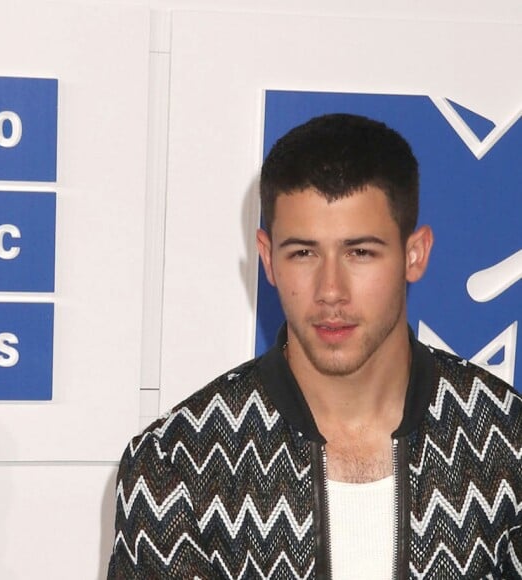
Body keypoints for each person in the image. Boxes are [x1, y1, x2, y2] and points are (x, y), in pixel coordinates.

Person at [107, 114, 522, 579]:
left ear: (414, 254)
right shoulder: (178, 463)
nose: (330, 290)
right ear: (267, 258)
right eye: (303, 252)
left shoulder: (509, 443)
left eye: (360, 252)